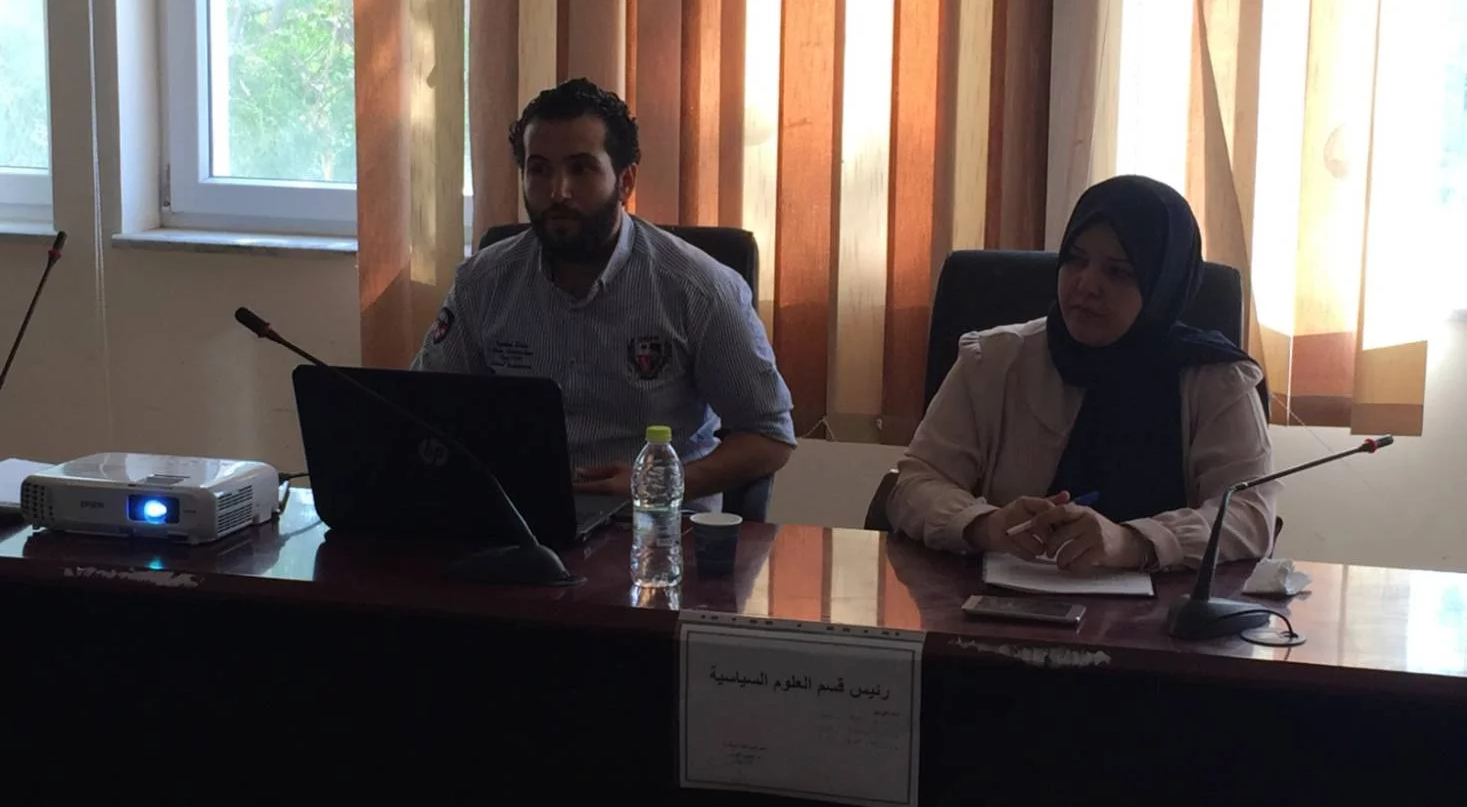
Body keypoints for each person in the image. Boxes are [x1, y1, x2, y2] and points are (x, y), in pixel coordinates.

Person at [412, 78, 795, 510]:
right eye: (539, 170)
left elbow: (769, 436)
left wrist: (656, 483)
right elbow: (422, 408)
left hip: (653, 528)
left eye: (580, 169)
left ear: (625, 181)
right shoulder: (483, 282)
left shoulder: (699, 289)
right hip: (522, 524)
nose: (557, 192)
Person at [886, 174, 1276, 571]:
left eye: (1119, 272)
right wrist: (984, 524)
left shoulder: (1216, 380)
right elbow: (915, 484)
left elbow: (1249, 515)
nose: (1087, 284)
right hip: (1000, 599)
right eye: (1075, 259)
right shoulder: (993, 360)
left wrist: (1135, 541)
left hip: (1167, 608)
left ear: (1163, 283)